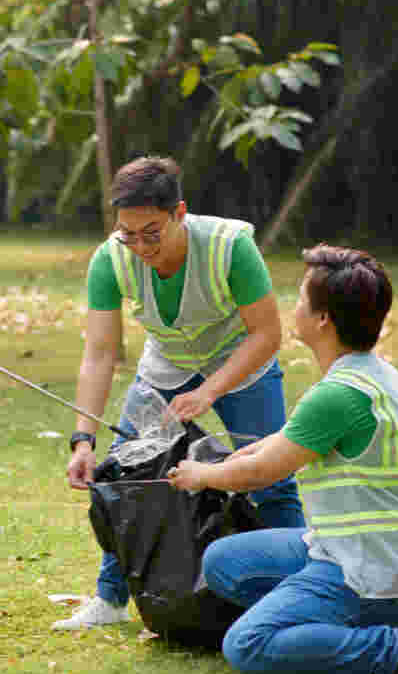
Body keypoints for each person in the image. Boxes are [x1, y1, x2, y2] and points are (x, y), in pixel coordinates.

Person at [166, 244, 398, 674]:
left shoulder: (337, 395)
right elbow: (288, 444)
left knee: (247, 646)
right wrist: (251, 450)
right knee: (223, 562)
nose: (291, 306)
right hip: (366, 555)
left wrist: (203, 475)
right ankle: (314, 627)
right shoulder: (377, 376)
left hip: (369, 578)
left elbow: (263, 472)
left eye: (299, 298)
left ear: (323, 320)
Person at [53, 156, 303, 631]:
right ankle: (111, 598)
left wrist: (208, 392)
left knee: (274, 477)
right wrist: (82, 439)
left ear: (179, 213)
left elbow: (267, 335)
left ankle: (302, 592)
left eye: (152, 232)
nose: (140, 246)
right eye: (128, 233)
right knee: (129, 478)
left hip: (239, 362)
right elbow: (101, 353)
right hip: (166, 364)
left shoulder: (231, 247)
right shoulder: (110, 258)